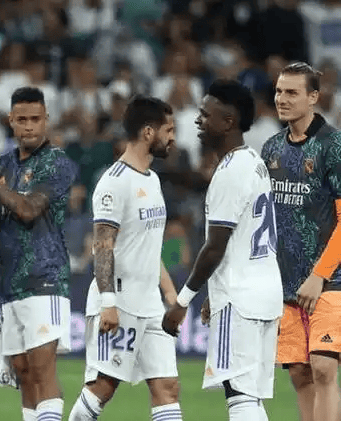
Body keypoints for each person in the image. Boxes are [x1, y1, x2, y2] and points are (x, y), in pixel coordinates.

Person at [0, 86, 78, 421]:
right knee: (23, 372)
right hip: (10, 285)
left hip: (46, 279)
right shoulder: (2, 166)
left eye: (35, 119)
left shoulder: (57, 163)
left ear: (46, 119)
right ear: (10, 120)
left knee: (42, 368)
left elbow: (28, 209)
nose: (29, 126)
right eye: (22, 119)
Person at [163, 79, 283, 420]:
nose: (198, 120)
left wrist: (181, 302)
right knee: (250, 397)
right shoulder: (254, 162)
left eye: (205, 114)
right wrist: (213, 294)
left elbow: (215, 247)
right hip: (264, 293)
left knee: (239, 396)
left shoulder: (229, 172)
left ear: (228, 121)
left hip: (240, 297)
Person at [67, 95, 182, 421]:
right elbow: (103, 247)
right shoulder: (114, 183)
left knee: (167, 387)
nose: (173, 138)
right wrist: (108, 303)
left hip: (151, 305)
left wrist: (170, 294)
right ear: (148, 132)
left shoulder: (153, 180)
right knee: (103, 387)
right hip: (119, 299)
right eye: (169, 130)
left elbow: (148, 246)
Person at [262, 61, 341, 421]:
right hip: (286, 281)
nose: (282, 98)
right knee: (299, 373)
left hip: (329, 278)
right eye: (279, 91)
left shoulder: (332, 146)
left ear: (313, 97)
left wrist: (319, 275)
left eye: (292, 92)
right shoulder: (270, 149)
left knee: (323, 367)